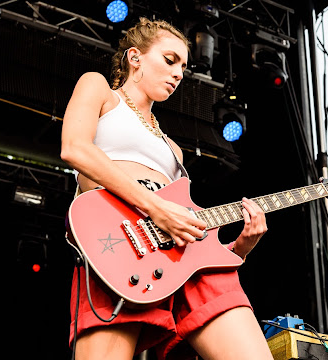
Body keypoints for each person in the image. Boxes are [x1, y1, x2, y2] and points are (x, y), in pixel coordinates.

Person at [60, 17, 273, 360]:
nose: (178, 73)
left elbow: (187, 227)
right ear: (135, 58)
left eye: (184, 67)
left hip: (183, 256)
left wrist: (239, 249)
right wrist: (156, 208)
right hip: (115, 247)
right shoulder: (99, 89)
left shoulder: (173, 149)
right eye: (170, 60)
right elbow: (74, 148)